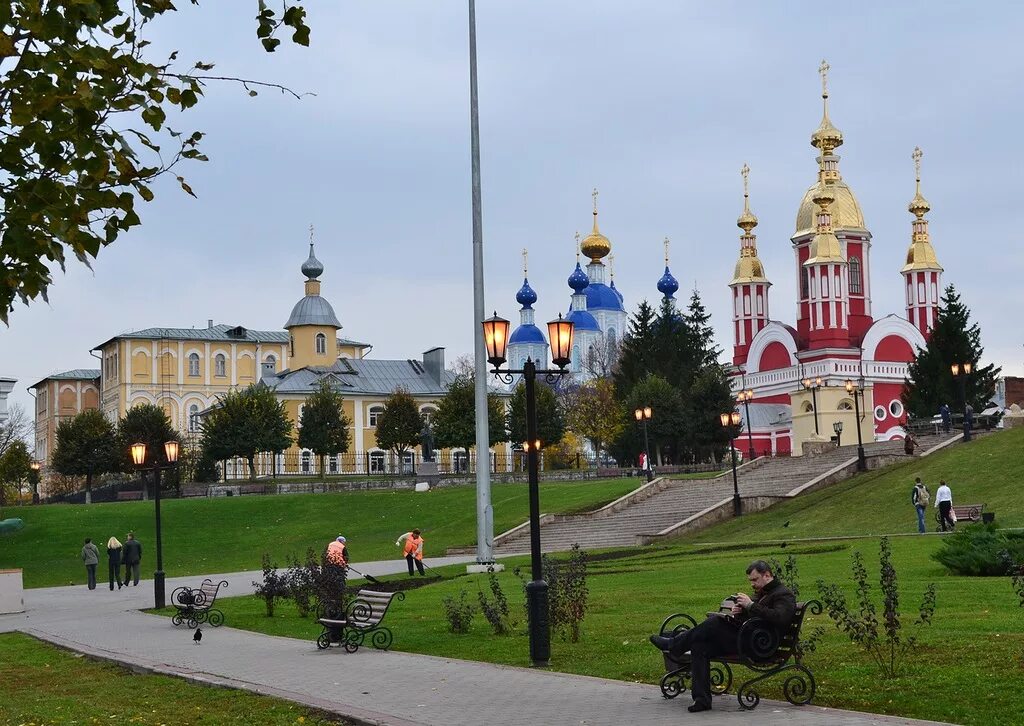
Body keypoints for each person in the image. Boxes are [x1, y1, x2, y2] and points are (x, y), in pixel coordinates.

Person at [649, 560, 796, 712]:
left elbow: (779, 617)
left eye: (755, 579)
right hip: (749, 640)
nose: (752, 584)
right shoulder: (763, 593)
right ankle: (702, 700)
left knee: (714, 622)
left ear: (767, 575)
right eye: (750, 580)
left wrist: (750, 605)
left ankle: (673, 644)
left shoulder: (783, 594)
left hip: (761, 647)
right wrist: (741, 612)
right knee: (699, 645)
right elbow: (757, 619)